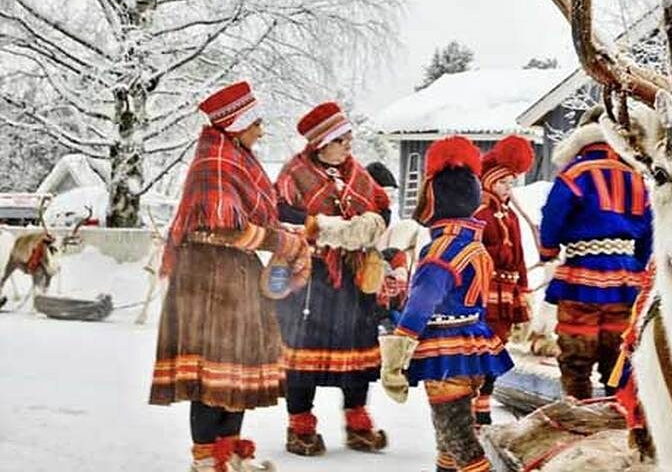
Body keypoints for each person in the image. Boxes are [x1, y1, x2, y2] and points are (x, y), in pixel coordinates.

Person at [150, 81, 311, 472]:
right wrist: (281, 243)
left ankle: (230, 452)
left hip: (234, 277)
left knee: (237, 371)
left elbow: (254, 219)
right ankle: (207, 459)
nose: (261, 130)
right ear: (235, 124)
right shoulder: (215, 163)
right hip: (208, 281)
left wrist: (288, 237)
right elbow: (221, 228)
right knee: (212, 373)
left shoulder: (236, 157)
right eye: (256, 122)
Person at [379, 136, 513, 472]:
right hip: (473, 346)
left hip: (445, 353)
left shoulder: (439, 252)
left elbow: (422, 302)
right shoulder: (474, 246)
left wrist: (398, 350)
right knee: (451, 432)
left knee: (458, 438)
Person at [274, 101, 391, 455]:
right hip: (310, 278)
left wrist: (370, 224)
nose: (348, 147)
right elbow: (279, 211)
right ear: (320, 143)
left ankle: (357, 423)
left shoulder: (359, 174)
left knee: (357, 352)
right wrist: (328, 229)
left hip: (352, 279)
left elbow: (382, 206)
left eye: (349, 140)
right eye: (341, 140)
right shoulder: (294, 175)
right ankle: (300, 427)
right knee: (303, 355)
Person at [538, 108, 653, 400]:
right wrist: (637, 263)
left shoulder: (575, 172)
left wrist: (548, 248)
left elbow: (554, 214)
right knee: (618, 350)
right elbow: (651, 228)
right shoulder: (636, 176)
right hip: (625, 278)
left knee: (577, 350)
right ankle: (616, 408)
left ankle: (578, 406)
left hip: (581, 275)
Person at [473, 134, 534, 425]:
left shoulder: (510, 216)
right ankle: (477, 408)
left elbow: (520, 258)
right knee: (484, 349)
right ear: (488, 183)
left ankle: (483, 404)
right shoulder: (480, 214)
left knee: (498, 347)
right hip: (487, 292)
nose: (507, 189)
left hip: (507, 293)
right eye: (502, 183)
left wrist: (523, 292)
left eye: (511, 183)